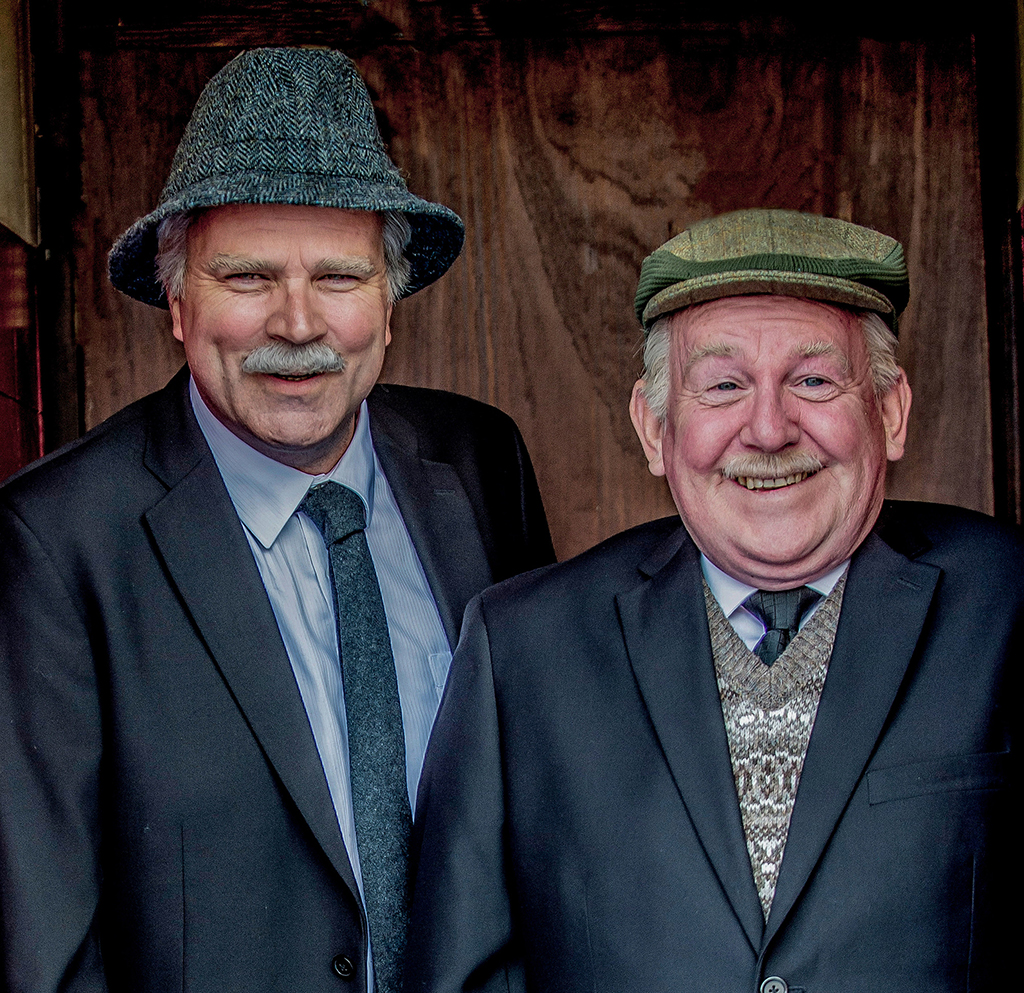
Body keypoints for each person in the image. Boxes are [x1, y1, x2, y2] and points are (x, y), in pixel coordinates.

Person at [0, 47, 554, 993]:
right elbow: (47, 947)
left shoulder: (479, 462)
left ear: (390, 303)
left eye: (338, 277)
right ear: (179, 301)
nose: (297, 324)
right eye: (248, 276)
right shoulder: (55, 544)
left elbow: (551, 807)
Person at [405, 209, 1016, 993]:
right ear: (655, 427)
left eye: (814, 379)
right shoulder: (521, 648)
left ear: (890, 412)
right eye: (724, 385)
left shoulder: (1008, 603)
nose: (767, 428)